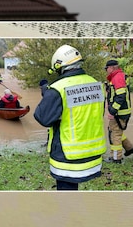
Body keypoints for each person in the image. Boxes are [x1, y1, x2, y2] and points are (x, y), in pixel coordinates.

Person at [34, 45, 106, 190]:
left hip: (68, 159)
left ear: (59, 66)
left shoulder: (58, 88)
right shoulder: (96, 84)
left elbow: (43, 118)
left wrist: (48, 95)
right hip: (93, 156)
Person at [105, 59, 133, 163]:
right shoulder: (118, 76)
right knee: (117, 131)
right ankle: (130, 148)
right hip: (122, 112)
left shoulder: (117, 77)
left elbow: (120, 96)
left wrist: (112, 111)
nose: (106, 70)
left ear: (112, 68)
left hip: (119, 112)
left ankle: (116, 158)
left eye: (107, 68)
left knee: (114, 134)